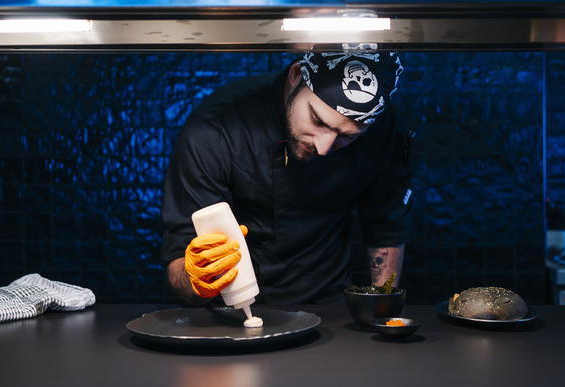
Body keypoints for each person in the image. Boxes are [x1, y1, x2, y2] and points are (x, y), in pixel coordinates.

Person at [160, 51, 413, 305]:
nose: (324, 147)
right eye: (317, 120)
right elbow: (178, 261)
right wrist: (196, 278)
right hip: (230, 315)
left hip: (329, 312)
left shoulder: (385, 130)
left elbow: (386, 227)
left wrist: (382, 312)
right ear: (295, 76)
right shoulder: (214, 130)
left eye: (347, 136)